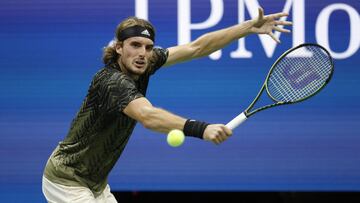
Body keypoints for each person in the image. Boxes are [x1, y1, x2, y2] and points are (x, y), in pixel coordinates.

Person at [42, 7, 292, 203]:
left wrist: (248, 27)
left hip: (94, 183)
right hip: (67, 180)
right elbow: (148, 116)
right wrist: (200, 128)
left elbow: (197, 47)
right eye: (135, 46)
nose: (143, 53)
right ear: (118, 48)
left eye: (148, 47)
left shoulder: (146, 62)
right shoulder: (111, 82)